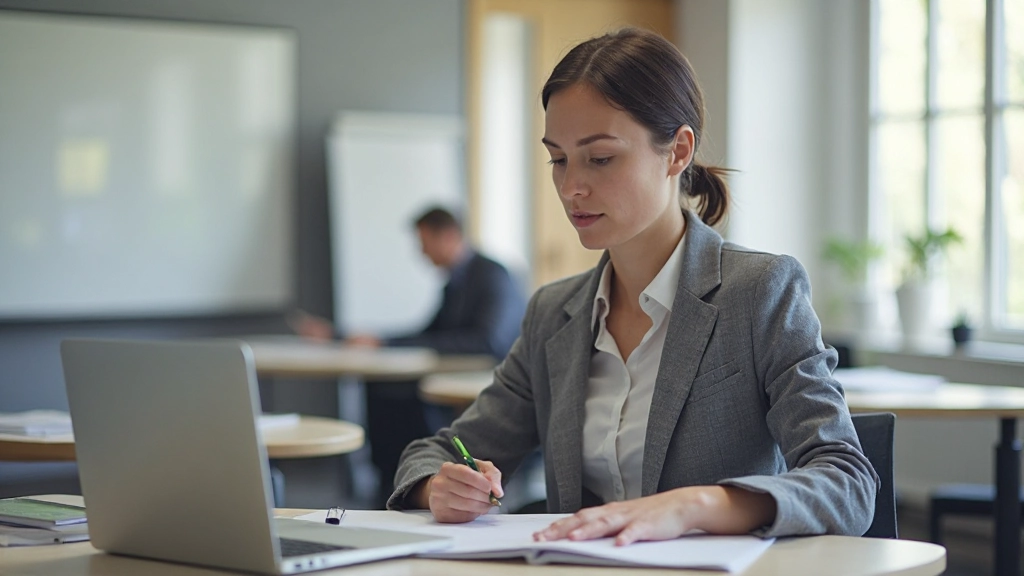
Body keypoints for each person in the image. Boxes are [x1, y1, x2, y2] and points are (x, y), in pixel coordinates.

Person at [386, 28, 878, 543]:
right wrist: (438, 487)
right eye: (558, 159)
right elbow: (436, 453)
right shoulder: (554, 312)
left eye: (600, 158)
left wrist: (696, 505)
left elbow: (847, 480)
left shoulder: (759, 292)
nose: (572, 187)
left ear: (677, 152)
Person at [293, 206, 526, 505]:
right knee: (380, 386)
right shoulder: (456, 280)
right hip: (453, 373)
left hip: (489, 380)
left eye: (424, 242)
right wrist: (380, 341)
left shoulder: (492, 275)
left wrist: (396, 343)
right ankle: (393, 481)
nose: (422, 253)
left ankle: (411, 481)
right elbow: (429, 332)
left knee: (400, 396)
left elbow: (486, 341)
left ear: (449, 236)